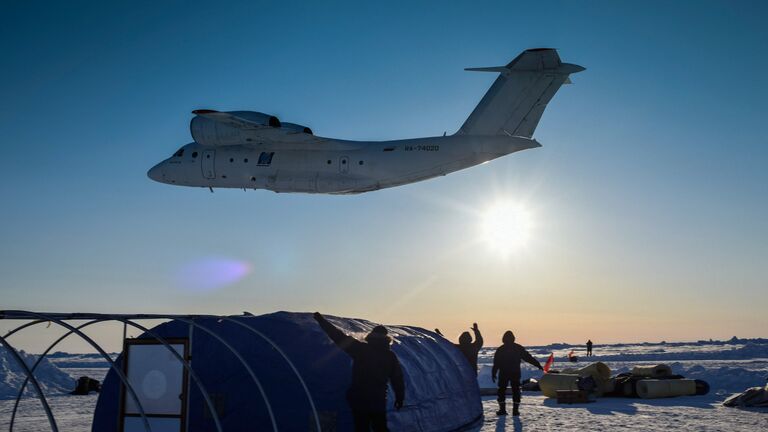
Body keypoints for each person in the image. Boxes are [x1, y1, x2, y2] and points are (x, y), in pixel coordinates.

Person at [314, 312, 405, 432]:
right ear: (386, 339)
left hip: (360, 398)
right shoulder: (390, 356)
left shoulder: (361, 349)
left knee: (361, 427)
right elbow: (397, 378)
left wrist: (322, 321)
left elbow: (339, 337)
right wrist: (400, 397)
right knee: (380, 427)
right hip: (378, 400)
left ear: (371, 336)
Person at [491, 331, 543, 416]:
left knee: (502, 390)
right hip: (515, 372)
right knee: (516, 390)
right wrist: (537, 364)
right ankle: (515, 411)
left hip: (504, 373)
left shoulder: (501, 349)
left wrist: (493, 373)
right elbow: (528, 358)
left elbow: (496, 363)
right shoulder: (518, 348)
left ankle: (502, 410)